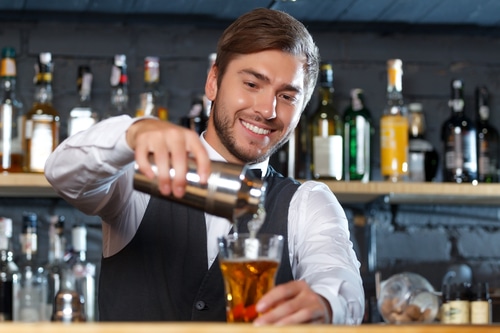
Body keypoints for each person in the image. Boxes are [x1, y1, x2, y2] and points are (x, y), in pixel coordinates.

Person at [45, 7, 364, 325]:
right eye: (252, 84)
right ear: (213, 81)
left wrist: (326, 302)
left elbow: (338, 276)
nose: (267, 110)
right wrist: (133, 133)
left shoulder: (308, 202)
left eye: (287, 96)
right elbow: (63, 173)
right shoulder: (140, 175)